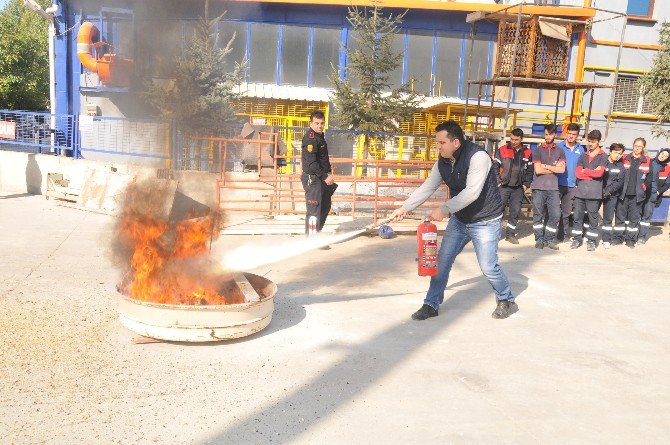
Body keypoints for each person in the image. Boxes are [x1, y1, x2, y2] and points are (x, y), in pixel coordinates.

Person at [389, 120, 516, 320]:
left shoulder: (478, 157)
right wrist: (405, 207)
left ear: (455, 142)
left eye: (441, 143)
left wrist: (444, 209)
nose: (438, 147)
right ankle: (431, 304)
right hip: (461, 220)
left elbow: (472, 192)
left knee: (488, 266)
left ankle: (506, 299)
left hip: (485, 220)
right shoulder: (443, 161)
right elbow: (428, 186)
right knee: (441, 261)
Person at [492, 128, 533, 244]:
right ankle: (495, 235)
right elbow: (494, 166)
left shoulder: (527, 152)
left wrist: (526, 184)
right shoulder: (502, 150)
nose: (513, 141)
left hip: (518, 188)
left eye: (516, 139)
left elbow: (530, 170)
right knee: (498, 211)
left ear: (521, 139)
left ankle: (510, 234)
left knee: (515, 211)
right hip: (503, 186)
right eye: (512, 139)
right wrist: (498, 181)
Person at [570, 130, 608, 251]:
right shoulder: (583, 156)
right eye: (589, 141)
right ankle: (576, 239)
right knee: (577, 217)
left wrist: (585, 171)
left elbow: (600, 173)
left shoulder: (603, 156)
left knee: (593, 219)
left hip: (594, 193)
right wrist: (591, 173)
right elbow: (577, 173)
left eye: (593, 142)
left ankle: (591, 241)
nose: (590, 144)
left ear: (599, 142)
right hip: (580, 192)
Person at [301, 110, 337, 236]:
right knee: (314, 209)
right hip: (314, 179)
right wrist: (324, 176)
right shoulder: (310, 139)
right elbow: (311, 163)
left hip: (321, 178)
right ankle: (311, 238)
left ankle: (316, 233)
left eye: (322, 123)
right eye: (316, 123)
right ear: (311, 123)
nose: (319, 126)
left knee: (325, 206)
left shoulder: (319, 137)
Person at [530, 124, 566, 250]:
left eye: (550, 134)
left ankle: (549, 239)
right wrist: (554, 168)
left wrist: (547, 166)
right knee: (538, 215)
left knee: (556, 214)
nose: (548, 137)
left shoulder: (560, 151)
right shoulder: (538, 150)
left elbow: (562, 170)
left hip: (553, 189)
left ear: (555, 135)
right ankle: (539, 239)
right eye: (546, 134)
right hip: (539, 188)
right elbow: (538, 170)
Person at [613, 137, 651, 248]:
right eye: (636, 145)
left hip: (637, 196)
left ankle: (630, 240)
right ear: (633, 145)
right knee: (620, 217)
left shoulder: (647, 160)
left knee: (634, 219)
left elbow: (649, 178)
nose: (637, 148)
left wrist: (644, 188)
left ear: (643, 147)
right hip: (623, 194)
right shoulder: (624, 158)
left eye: (640, 146)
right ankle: (618, 238)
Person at [556, 123, 585, 241]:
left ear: (577, 136)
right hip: (557, 183)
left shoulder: (581, 149)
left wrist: (579, 183)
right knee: (552, 210)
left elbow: (582, 167)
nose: (571, 136)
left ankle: (561, 234)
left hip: (572, 186)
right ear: (566, 133)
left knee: (566, 211)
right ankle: (547, 234)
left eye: (574, 134)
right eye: (569, 133)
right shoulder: (559, 147)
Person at [639, 148, 670, 243]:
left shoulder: (667, 169)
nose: (662, 156)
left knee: (646, 216)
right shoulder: (649, 162)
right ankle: (632, 235)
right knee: (636, 214)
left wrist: (658, 192)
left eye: (665, 156)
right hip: (641, 192)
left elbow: (667, 184)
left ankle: (642, 237)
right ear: (659, 153)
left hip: (653, 194)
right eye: (662, 153)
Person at [600, 143, 626, 249]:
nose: (617, 155)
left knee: (608, 218)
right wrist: (600, 191)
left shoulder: (620, 166)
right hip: (597, 192)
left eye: (620, 153)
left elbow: (619, 182)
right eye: (615, 152)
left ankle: (606, 239)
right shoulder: (602, 161)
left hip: (611, 195)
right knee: (592, 214)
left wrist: (607, 191)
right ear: (610, 151)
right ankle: (588, 236)